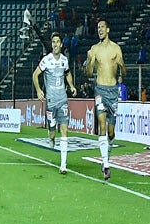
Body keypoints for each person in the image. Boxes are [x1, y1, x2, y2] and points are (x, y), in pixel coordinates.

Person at [86, 18, 126, 180]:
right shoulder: (94, 49)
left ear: (108, 30)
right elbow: (89, 74)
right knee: (102, 124)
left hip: (113, 91)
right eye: (98, 27)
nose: (100, 29)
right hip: (100, 90)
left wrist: (121, 64)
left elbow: (124, 72)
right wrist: (89, 61)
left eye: (102, 27)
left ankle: (106, 158)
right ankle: (106, 165)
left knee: (111, 132)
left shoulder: (116, 49)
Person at [33, 32, 77, 174]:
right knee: (53, 132)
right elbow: (35, 75)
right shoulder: (47, 60)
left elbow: (68, 72)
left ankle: (63, 165)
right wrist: (39, 90)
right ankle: (51, 134)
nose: (55, 44)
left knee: (64, 131)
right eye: (53, 42)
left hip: (63, 100)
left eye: (57, 42)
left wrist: (71, 86)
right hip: (51, 101)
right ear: (52, 44)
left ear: (61, 44)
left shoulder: (64, 60)